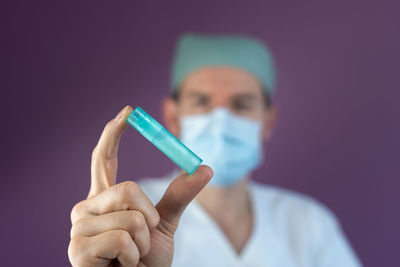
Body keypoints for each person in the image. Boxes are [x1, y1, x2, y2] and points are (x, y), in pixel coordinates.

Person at [68, 33, 362, 267]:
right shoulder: (128, 218)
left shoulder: (308, 223)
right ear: (172, 118)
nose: (220, 119)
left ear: (268, 121)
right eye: (201, 102)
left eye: (241, 104)